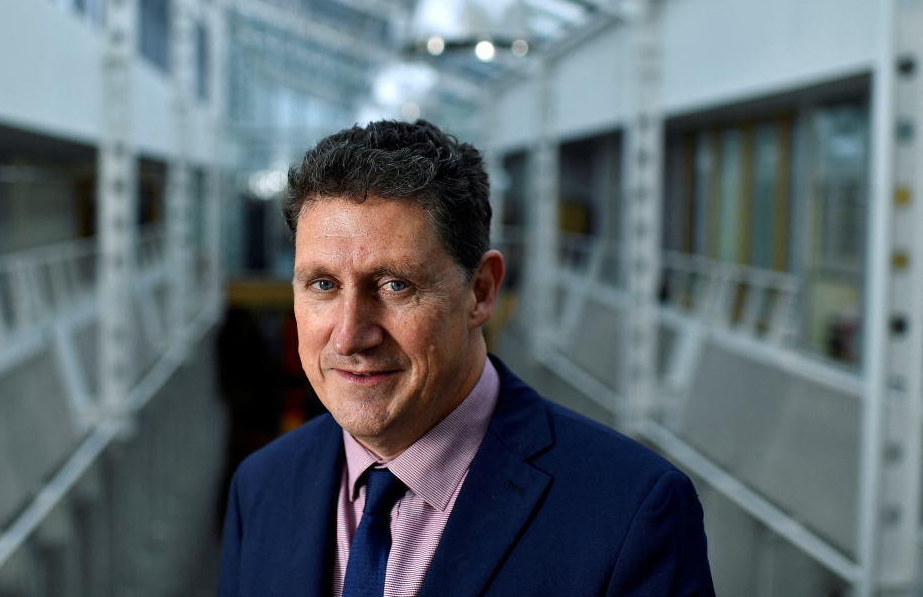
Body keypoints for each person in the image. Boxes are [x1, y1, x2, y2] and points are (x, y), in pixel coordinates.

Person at [218, 120, 715, 597]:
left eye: (395, 285)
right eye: (323, 285)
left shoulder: (628, 513)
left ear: (480, 291)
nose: (349, 336)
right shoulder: (262, 487)